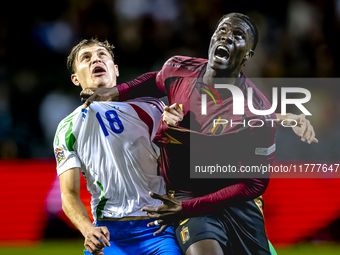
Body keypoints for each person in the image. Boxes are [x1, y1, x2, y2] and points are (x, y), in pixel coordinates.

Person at [81, 13, 317, 255]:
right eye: (222, 30)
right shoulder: (178, 68)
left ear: (247, 54)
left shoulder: (257, 111)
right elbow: (157, 80)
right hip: (188, 196)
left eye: (238, 35)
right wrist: (116, 91)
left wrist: (186, 207)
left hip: (234, 201)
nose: (227, 37)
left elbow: (254, 182)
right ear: (212, 38)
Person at [53, 38, 182, 255]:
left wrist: (177, 130)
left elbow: (179, 168)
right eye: (86, 57)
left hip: (157, 231)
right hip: (109, 235)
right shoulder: (67, 128)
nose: (96, 58)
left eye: (102, 55)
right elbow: (68, 193)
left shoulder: (152, 109)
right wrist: (87, 230)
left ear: (116, 69)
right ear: (75, 79)